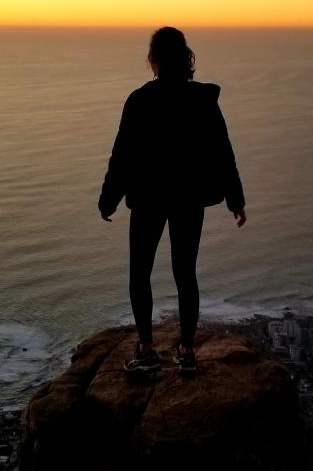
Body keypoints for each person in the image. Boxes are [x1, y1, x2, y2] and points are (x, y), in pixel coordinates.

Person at [98, 26, 246, 374]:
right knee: (185, 274)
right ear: (186, 58)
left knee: (140, 273)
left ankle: (147, 350)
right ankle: (187, 352)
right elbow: (223, 153)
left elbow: (123, 156)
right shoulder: (203, 101)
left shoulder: (139, 100)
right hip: (189, 198)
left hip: (148, 198)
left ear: (154, 59)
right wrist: (235, 199)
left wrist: (109, 199)